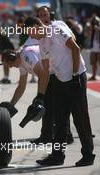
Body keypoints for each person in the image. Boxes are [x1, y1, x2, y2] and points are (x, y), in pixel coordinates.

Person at [26, 16, 95, 166]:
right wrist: (40, 95)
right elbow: (45, 71)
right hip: (60, 80)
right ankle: (57, 156)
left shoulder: (56, 28)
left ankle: (88, 155)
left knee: (80, 118)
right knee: (60, 120)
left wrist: (75, 74)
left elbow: (75, 49)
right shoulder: (41, 42)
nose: (31, 36)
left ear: (38, 25)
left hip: (76, 78)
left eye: (31, 32)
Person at [32, 6, 74, 145]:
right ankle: (46, 135)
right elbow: (45, 63)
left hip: (62, 74)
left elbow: (73, 43)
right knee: (48, 107)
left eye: (45, 14)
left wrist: (74, 71)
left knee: (62, 107)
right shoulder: (38, 34)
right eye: (41, 15)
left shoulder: (57, 26)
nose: (44, 16)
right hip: (50, 75)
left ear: (49, 14)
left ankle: (67, 135)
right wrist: (40, 92)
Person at [0, 37, 48, 117]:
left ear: (13, 57)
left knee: (50, 112)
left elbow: (42, 74)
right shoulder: (21, 65)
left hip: (57, 76)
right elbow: (21, 87)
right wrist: (11, 105)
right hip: (50, 77)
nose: (11, 67)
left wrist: (39, 98)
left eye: (10, 64)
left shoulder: (26, 55)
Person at [88, 15, 100, 81]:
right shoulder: (92, 28)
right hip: (93, 48)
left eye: (96, 22)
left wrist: (98, 29)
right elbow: (88, 35)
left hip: (99, 48)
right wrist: (91, 29)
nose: (95, 23)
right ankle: (93, 76)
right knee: (93, 63)